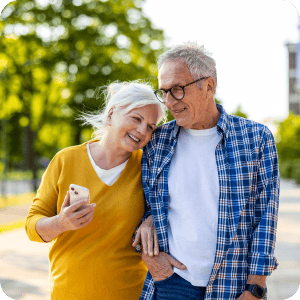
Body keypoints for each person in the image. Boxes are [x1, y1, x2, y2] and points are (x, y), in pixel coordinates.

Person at [136, 43, 280, 300]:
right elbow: (140, 201)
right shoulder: (156, 142)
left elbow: (265, 217)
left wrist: (255, 289)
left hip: (234, 286)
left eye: (177, 90)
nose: (169, 102)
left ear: (209, 86)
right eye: (163, 92)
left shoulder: (256, 138)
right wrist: (148, 225)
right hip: (172, 282)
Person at [25, 81, 165, 300]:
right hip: (68, 293)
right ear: (111, 115)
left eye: (150, 127)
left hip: (129, 293)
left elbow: (172, 207)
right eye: (136, 119)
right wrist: (61, 223)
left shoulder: (148, 168)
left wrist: (152, 219)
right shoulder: (66, 160)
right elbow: (32, 226)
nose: (142, 131)